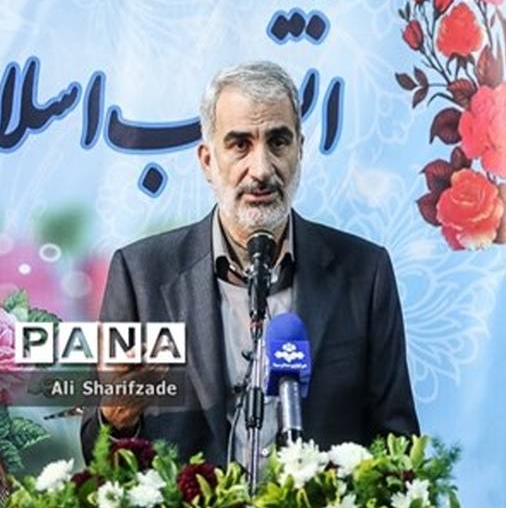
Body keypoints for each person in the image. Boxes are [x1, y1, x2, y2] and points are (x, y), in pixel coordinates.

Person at [80, 61, 419, 463]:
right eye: (240, 144)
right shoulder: (142, 275)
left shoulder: (364, 273)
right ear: (207, 160)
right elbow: (98, 453)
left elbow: (397, 445)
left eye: (278, 142)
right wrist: (118, 420)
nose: (261, 170)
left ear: (299, 150)